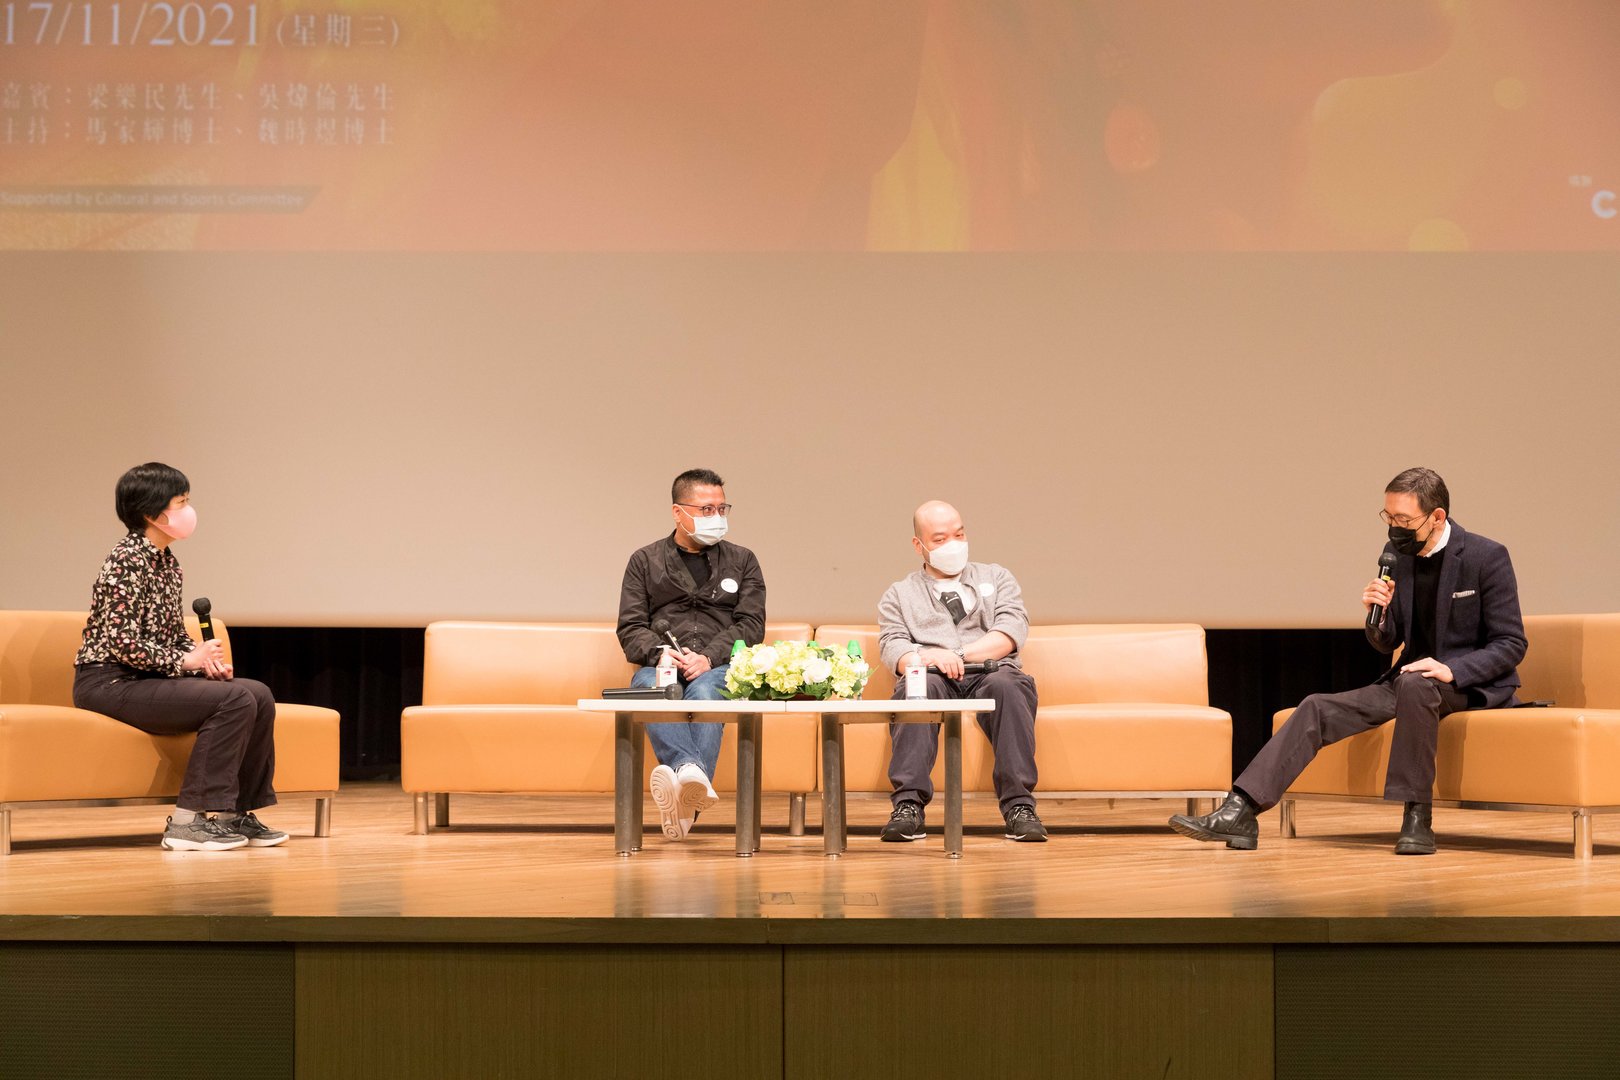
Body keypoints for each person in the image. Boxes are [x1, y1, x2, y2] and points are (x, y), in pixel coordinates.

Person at [1170, 467, 1526, 855]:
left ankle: (1417, 818)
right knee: (1316, 707)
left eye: (1404, 520)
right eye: (1389, 517)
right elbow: (1387, 642)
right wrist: (1379, 615)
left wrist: (1451, 669)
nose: (1394, 529)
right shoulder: (1400, 557)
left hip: (1467, 685)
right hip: (1409, 680)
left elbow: (1511, 643)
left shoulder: (1485, 556)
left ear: (1437, 517)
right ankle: (1241, 810)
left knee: (1416, 683)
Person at [72, 463, 286, 852]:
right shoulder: (126, 559)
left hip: (147, 678)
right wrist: (186, 662)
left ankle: (234, 813)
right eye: (181, 502)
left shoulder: (166, 561)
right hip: (109, 681)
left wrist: (201, 659)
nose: (189, 510)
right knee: (234, 699)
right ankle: (187, 823)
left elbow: (170, 633)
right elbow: (121, 642)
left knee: (258, 693)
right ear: (153, 514)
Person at [878, 500, 1046, 843]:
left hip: (992, 670)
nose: (953, 544)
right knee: (916, 688)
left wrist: (954, 654)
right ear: (919, 545)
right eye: (940, 539)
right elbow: (893, 648)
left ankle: (1019, 806)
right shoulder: (899, 594)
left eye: (959, 534)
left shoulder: (997, 577)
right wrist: (928, 658)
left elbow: (1011, 631)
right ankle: (908, 806)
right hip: (932, 675)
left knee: (1009, 686)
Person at [616, 468, 766, 841]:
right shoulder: (644, 561)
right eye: (706, 510)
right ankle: (689, 778)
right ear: (678, 512)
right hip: (661, 665)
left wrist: (709, 657)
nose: (717, 517)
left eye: (721, 508)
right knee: (651, 689)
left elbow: (751, 625)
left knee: (705, 691)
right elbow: (630, 627)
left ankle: (682, 799)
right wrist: (660, 653)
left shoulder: (743, 560)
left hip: (719, 666)